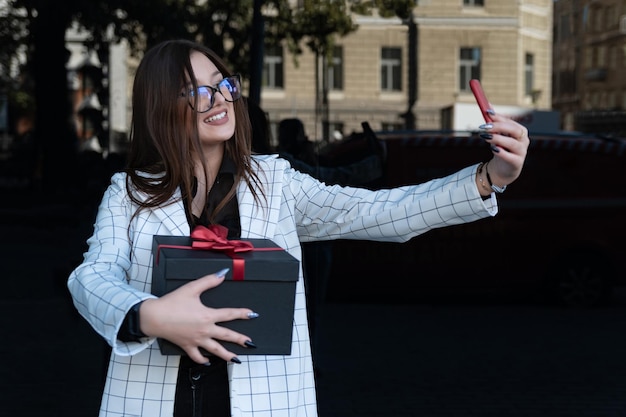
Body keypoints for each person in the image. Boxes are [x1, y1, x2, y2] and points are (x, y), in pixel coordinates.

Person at [67, 39, 530, 417]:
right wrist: (150, 315)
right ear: (161, 107)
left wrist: (488, 178)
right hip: (152, 402)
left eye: (223, 83)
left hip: (265, 402)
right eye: (197, 91)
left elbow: (380, 212)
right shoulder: (129, 192)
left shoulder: (276, 182)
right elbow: (92, 278)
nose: (221, 98)